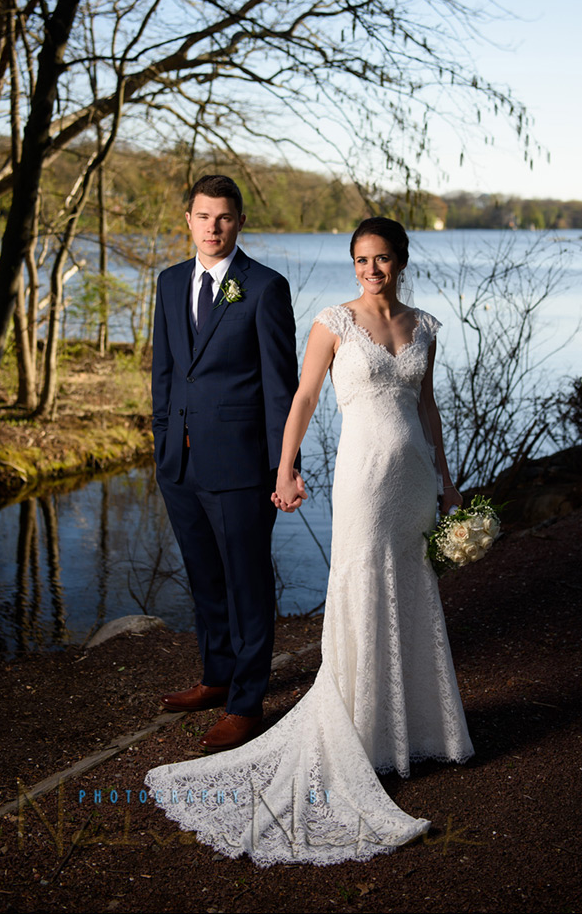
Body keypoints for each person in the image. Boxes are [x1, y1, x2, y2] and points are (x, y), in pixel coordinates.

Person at [146, 217, 474, 864]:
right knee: (361, 585)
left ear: (401, 261)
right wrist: (285, 465)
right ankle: (358, 728)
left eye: (381, 259)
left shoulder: (426, 327)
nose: (371, 269)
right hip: (362, 480)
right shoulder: (333, 321)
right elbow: (301, 396)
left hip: (411, 480)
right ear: (352, 262)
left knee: (410, 586)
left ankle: (410, 728)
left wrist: (448, 480)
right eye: (361, 259)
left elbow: (428, 404)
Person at [152, 174, 298, 751]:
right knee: (205, 579)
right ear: (188, 219)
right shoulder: (167, 283)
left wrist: (283, 466)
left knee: (247, 584)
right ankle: (215, 677)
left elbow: (280, 388)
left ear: (239, 222)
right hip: (179, 466)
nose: (213, 228)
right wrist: (164, 440)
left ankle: (245, 700)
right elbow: (165, 371)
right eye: (203, 216)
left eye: (224, 218)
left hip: (242, 466)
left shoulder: (263, 287)